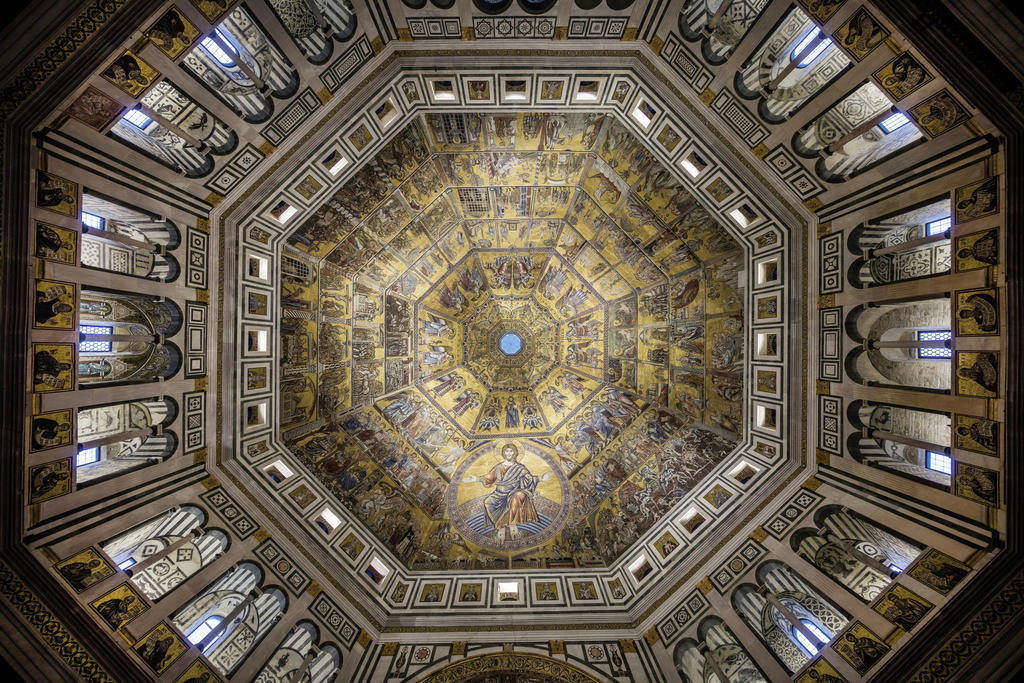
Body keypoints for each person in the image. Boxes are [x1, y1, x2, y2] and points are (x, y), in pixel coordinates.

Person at [464, 444, 541, 541]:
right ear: (503, 453)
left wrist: (540, 478)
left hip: (514, 492)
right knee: (488, 502)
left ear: (515, 453)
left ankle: (512, 525)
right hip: (499, 494)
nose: (509, 453)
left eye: (511, 451)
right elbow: (490, 478)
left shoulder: (520, 468)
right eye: (507, 451)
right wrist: (476, 478)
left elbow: (529, 479)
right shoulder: (498, 468)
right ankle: (501, 526)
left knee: (517, 496)